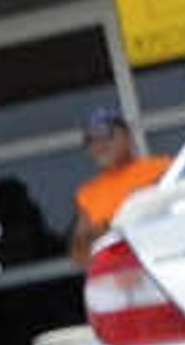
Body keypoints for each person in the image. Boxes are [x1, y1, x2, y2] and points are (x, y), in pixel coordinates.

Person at [68, 102, 171, 260]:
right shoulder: (87, 193)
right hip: (118, 273)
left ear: (127, 136)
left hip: (162, 259)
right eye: (90, 140)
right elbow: (79, 256)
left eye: (106, 134)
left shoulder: (162, 168)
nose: (99, 145)